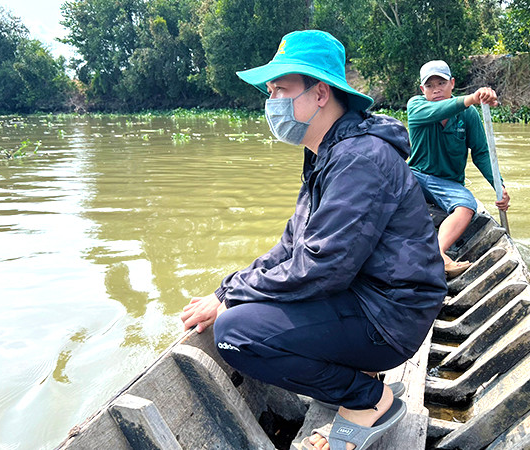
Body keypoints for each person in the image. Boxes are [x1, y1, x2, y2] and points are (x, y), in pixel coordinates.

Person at [179, 30, 447, 450]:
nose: (272, 103)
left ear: (320, 93)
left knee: (235, 332)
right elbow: (291, 246)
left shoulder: (359, 159)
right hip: (369, 298)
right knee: (242, 306)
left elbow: (321, 267)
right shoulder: (328, 154)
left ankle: (369, 400)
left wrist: (230, 300)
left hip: (389, 318)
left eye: (281, 89)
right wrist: (227, 288)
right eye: (270, 92)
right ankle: (362, 374)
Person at [406, 60, 510, 279]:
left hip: (448, 183)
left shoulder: (468, 115)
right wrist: (472, 98)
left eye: (441, 83)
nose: (436, 89)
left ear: (452, 84)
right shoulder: (416, 106)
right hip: (416, 176)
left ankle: (437, 253)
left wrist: (498, 186)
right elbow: (439, 109)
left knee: (466, 206)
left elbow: (481, 153)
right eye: (430, 85)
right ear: (422, 89)